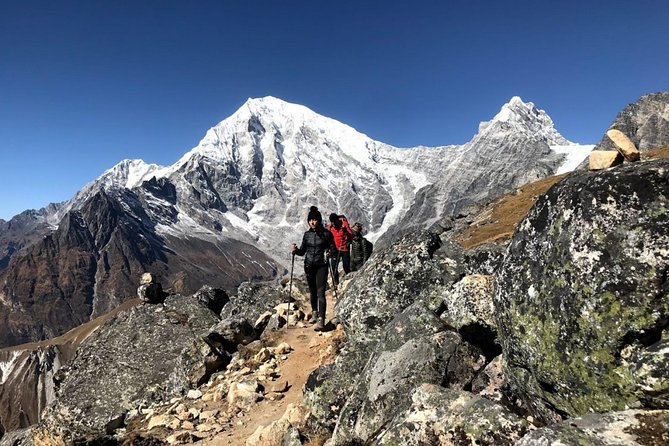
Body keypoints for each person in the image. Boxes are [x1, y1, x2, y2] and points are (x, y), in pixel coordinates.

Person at [291, 206, 336, 331]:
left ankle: (321, 320)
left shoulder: (327, 234)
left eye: (315, 220)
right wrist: (296, 251)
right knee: (313, 291)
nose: (312, 222)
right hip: (309, 266)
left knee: (321, 292)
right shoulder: (307, 235)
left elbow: (334, 248)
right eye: (310, 220)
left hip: (321, 266)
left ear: (319, 220)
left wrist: (330, 253)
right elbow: (303, 251)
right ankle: (315, 313)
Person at [327, 213, 352, 285]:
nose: (333, 223)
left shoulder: (344, 224)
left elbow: (351, 235)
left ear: (337, 220)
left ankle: (349, 281)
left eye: (334, 221)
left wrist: (346, 232)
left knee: (346, 266)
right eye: (332, 222)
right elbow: (327, 238)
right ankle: (336, 283)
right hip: (335, 249)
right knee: (334, 267)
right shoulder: (330, 227)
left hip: (344, 248)